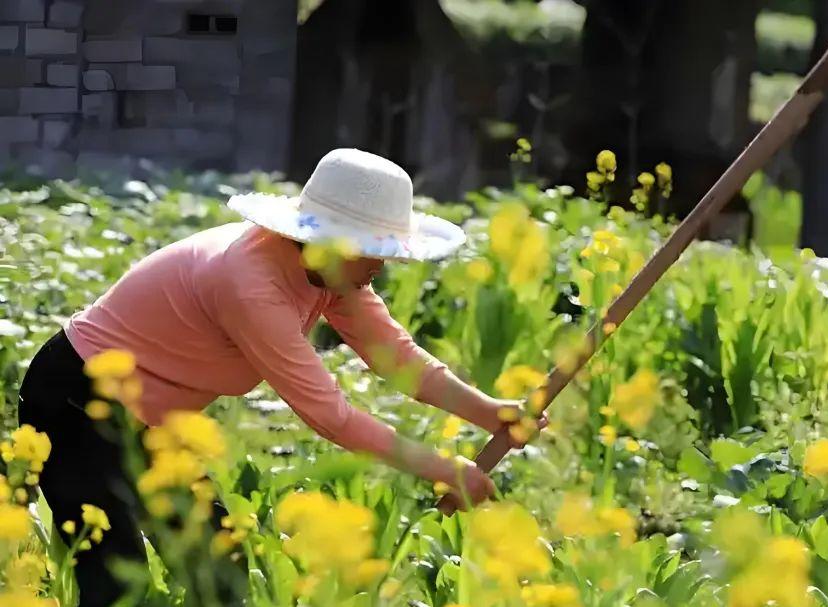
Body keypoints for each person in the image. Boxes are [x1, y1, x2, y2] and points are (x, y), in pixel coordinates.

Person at [18, 148, 544, 606]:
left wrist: (494, 413)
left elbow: (398, 360)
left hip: (151, 424)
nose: (381, 267)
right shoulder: (251, 284)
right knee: (113, 579)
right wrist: (442, 469)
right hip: (74, 403)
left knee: (219, 570)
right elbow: (329, 416)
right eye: (375, 251)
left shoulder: (332, 273)